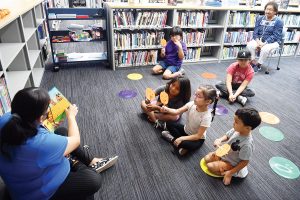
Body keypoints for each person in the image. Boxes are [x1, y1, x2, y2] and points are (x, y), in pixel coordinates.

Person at [0, 87, 118, 200]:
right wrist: (71, 116)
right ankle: (76, 162)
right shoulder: (41, 144)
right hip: (38, 192)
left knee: (61, 131)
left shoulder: (6, 119)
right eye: (47, 112)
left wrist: (47, 124)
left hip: (22, 182)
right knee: (93, 179)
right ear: (40, 118)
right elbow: (75, 140)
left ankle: (90, 160)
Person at [204, 108, 261, 185]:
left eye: (236, 122)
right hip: (224, 154)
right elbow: (227, 136)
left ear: (247, 128)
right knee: (206, 159)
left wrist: (230, 173)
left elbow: (245, 162)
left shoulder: (247, 145)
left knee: (210, 166)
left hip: (231, 163)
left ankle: (228, 172)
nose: (233, 123)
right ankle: (220, 164)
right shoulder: (236, 129)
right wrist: (219, 140)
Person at [160, 85, 219, 156]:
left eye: (199, 96)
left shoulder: (206, 117)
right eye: (195, 94)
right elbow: (177, 111)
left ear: (208, 101)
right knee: (169, 123)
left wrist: (182, 138)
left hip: (197, 139)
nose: (195, 98)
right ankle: (179, 143)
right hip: (186, 130)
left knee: (185, 143)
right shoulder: (191, 104)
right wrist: (167, 109)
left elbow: (198, 136)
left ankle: (173, 139)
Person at [246, 1, 283, 72]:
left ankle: (259, 64)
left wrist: (263, 44)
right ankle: (253, 61)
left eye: (270, 10)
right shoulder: (260, 18)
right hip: (259, 40)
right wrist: (258, 41)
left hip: (273, 42)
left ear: (275, 12)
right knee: (250, 45)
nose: (267, 11)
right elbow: (255, 32)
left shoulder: (279, 21)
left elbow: (275, 36)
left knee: (265, 49)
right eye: (266, 9)